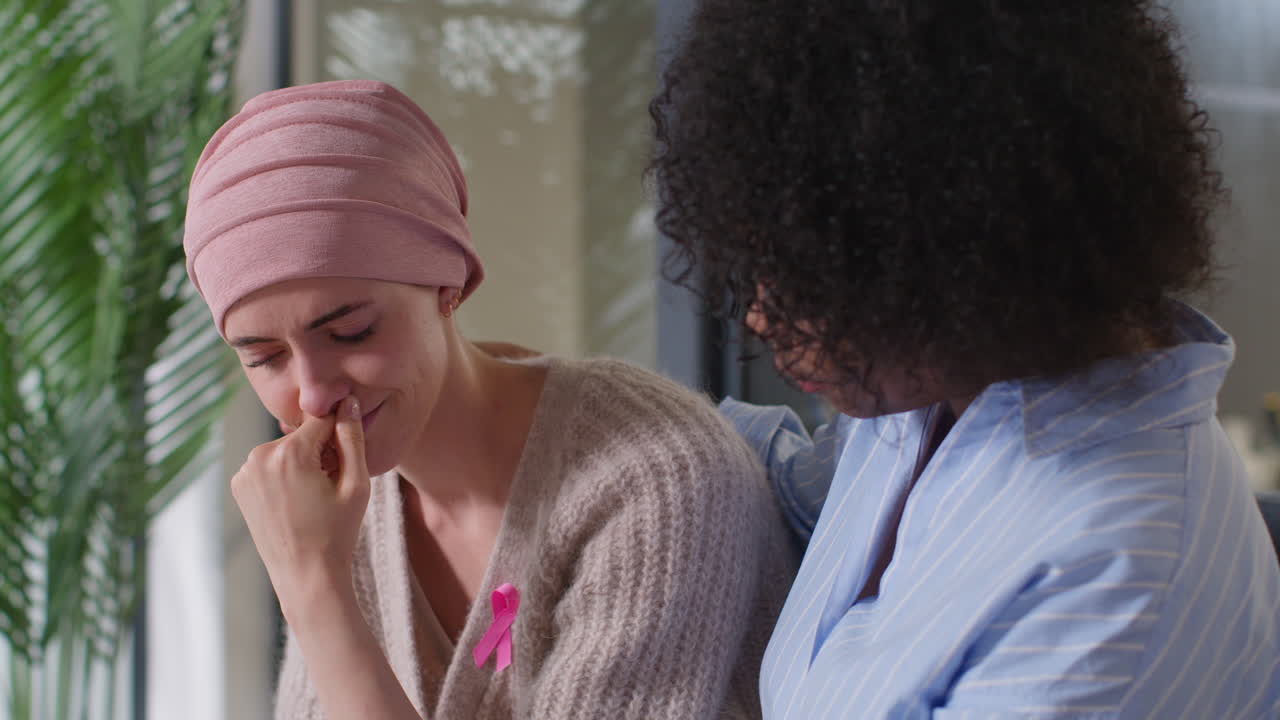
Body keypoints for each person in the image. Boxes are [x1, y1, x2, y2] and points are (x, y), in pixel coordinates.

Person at [646, 1, 1280, 717]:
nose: (762, 313)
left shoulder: (1112, 589)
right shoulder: (950, 397)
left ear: (957, 242)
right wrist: (552, 403)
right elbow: (784, 488)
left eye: (804, 272)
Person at [182, 79, 795, 719]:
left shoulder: (658, 479)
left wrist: (313, 586)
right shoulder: (334, 511)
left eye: (351, 331)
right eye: (264, 357)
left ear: (449, 282)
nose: (313, 394)